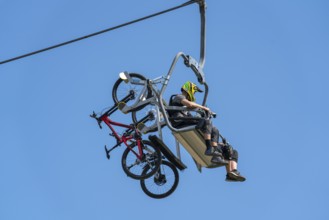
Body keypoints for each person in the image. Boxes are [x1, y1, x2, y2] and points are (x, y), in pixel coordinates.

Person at [170, 81, 246, 181]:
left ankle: (231, 173)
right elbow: (189, 104)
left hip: (187, 122)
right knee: (206, 122)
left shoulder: (186, 110)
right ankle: (210, 148)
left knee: (229, 148)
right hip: (180, 122)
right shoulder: (179, 97)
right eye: (194, 92)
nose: (194, 94)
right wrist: (203, 108)